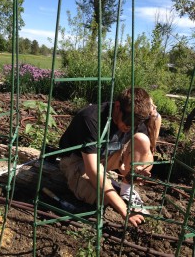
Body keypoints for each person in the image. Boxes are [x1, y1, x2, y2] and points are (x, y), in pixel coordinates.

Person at [59, 87, 161, 227]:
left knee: (142, 140)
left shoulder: (134, 117)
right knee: (100, 197)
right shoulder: (92, 118)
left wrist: (141, 169)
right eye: (128, 123)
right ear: (118, 106)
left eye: (135, 124)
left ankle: (126, 191)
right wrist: (123, 209)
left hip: (107, 155)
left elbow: (147, 153)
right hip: (78, 160)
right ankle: (121, 200)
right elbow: (93, 170)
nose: (131, 127)